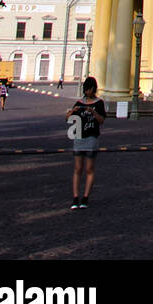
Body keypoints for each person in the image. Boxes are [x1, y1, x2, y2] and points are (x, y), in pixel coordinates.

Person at [66, 76, 106, 209]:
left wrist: (93, 112)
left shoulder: (99, 103)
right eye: (86, 90)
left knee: (89, 168)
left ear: (94, 89)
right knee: (77, 168)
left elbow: (101, 121)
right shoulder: (79, 103)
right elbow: (68, 119)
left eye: (90, 89)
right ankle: (75, 197)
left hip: (91, 137)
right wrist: (72, 112)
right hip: (78, 137)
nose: (88, 92)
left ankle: (85, 197)